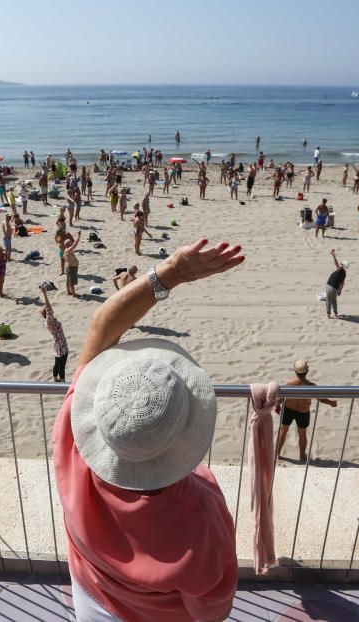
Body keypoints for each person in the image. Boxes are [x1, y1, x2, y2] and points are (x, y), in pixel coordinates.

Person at [53, 238, 242, 622]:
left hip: (91, 597)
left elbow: (103, 325)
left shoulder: (74, 443)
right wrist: (174, 271)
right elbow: (211, 610)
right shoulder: (200, 515)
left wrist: (169, 271)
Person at [274, 360, 336, 461]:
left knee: (283, 430)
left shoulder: (289, 383)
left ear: (295, 371)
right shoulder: (311, 386)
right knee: (302, 434)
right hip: (303, 412)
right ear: (307, 371)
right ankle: (302, 456)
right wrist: (331, 403)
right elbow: (321, 398)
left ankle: (277, 454)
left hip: (288, 409)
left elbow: (281, 398)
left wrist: (277, 406)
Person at [40, 287, 69, 382]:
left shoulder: (49, 321)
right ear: (47, 314)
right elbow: (48, 307)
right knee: (61, 366)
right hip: (61, 345)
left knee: (57, 364)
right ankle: (62, 383)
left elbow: (48, 308)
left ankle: (55, 379)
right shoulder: (49, 321)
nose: (51, 309)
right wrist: (45, 294)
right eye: (49, 311)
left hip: (59, 344)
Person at [325, 249, 348, 318]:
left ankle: (328, 314)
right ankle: (336, 313)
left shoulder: (340, 269)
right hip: (335, 289)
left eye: (342, 264)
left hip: (329, 286)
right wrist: (340, 291)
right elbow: (343, 283)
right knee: (334, 301)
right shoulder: (344, 273)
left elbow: (336, 263)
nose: (341, 264)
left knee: (328, 300)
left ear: (343, 266)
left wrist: (334, 256)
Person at [64, 231, 82, 296]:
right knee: (71, 282)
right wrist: (79, 236)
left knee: (68, 281)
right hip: (71, 268)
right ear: (67, 244)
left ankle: (68, 292)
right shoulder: (68, 250)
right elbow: (75, 244)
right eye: (70, 243)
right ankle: (74, 294)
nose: (71, 243)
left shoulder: (66, 250)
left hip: (69, 267)